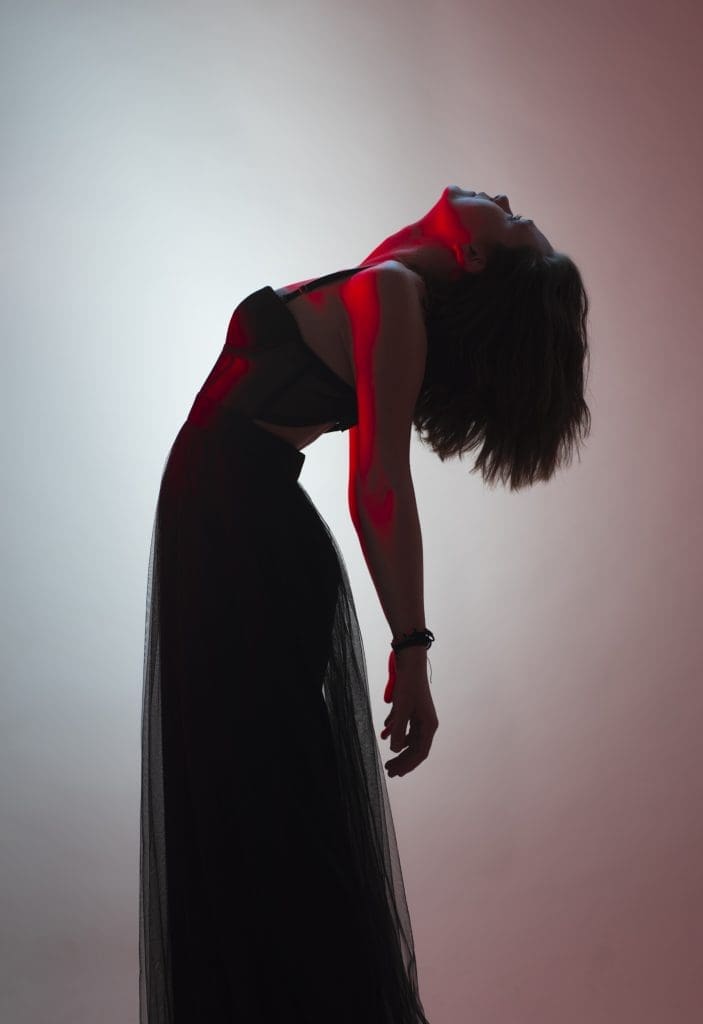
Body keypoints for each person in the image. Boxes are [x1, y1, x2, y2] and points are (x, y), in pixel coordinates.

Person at [139, 186, 592, 1022]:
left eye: (515, 218)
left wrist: (411, 649)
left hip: (244, 542)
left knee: (268, 820)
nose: (504, 195)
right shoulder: (396, 275)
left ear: (477, 257)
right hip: (230, 530)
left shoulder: (393, 292)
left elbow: (380, 477)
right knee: (247, 814)